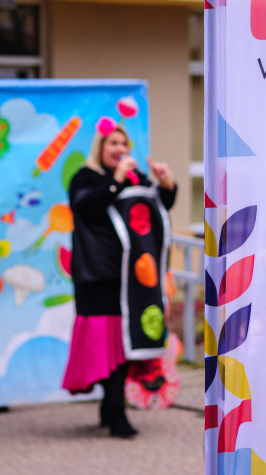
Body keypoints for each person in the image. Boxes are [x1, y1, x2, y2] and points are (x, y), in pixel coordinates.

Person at [62, 117, 177, 438]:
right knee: (104, 347)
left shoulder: (133, 177)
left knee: (123, 346)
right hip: (97, 276)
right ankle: (113, 409)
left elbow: (160, 206)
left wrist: (166, 182)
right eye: (113, 143)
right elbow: (89, 207)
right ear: (99, 148)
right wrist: (115, 180)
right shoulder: (84, 177)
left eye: (124, 143)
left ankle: (114, 409)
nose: (120, 148)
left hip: (129, 277)